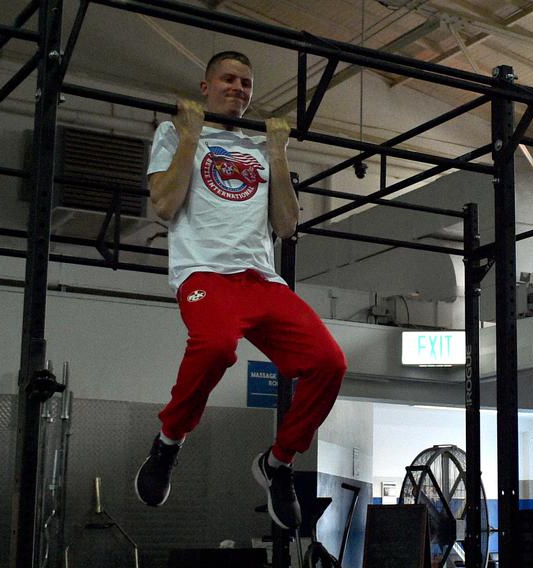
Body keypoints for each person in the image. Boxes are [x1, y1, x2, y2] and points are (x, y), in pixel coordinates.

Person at [134, 51, 347, 530]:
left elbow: (288, 225)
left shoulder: (260, 148)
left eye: (246, 83)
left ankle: (278, 462)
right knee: (214, 347)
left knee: (330, 363)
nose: (239, 89)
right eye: (228, 79)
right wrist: (189, 134)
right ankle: (168, 443)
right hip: (205, 272)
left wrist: (278, 153)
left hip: (261, 279)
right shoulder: (174, 134)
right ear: (206, 86)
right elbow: (165, 204)